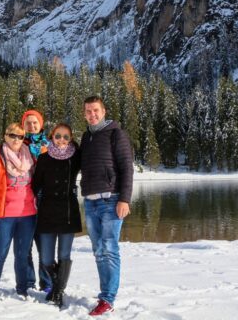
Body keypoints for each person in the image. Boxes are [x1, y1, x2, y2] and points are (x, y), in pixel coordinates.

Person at [79, 96, 133, 316]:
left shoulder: (115, 133)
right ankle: (105, 293)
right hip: (90, 202)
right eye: (88, 111)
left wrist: (125, 199)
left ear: (104, 111)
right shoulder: (86, 137)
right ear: (84, 114)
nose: (92, 114)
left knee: (109, 249)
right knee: (98, 250)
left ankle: (108, 299)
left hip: (111, 200)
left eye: (96, 110)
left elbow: (127, 168)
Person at [0, 122, 37, 299]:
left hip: (28, 216)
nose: (16, 139)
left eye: (20, 136)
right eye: (12, 135)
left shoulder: (30, 157)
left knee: (22, 255)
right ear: (5, 136)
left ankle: (22, 289)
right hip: (4, 216)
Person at [32, 123, 81, 309]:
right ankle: (57, 286)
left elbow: (93, 164)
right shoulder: (43, 158)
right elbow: (35, 185)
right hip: (47, 213)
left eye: (66, 137)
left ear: (71, 139)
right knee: (45, 258)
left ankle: (57, 291)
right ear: (52, 136)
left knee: (64, 255)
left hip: (68, 211)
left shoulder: (76, 157)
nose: (62, 140)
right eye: (58, 136)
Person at [20, 109, 52, 293]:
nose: (31, 126)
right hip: (23, 200)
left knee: (45, 245)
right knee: (25, 246)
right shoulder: (17, 144)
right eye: (28, 123)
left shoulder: (49, 145)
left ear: (41, 124)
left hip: (44, 200)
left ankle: (46, 283)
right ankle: (28, 283)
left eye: (35, 123)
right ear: (23, 125)